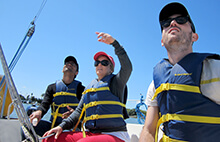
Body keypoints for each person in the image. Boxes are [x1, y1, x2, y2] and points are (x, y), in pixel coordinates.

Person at [139, 2, 220, 142]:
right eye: (166, 23)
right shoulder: (155, 85)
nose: (173, 23)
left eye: (181, 20)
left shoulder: (215, 69)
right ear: (162, 41)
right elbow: (148, 130)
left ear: (194, 36)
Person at [42, 31, 132, 142]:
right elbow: (78, 112)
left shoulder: (117, 82)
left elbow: (127, 67)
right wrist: (61, 126)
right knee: (50, 139)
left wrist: (115, 44)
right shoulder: (88, 88)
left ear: (111, 69)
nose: (99, 64)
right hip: (90, 134)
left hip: (115, 135)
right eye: (97, 63)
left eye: (104, 62)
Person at [29, 56, 85, 137]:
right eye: (66, 63)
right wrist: (39, 112)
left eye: (73, 64)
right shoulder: (52, 87)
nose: (69, 64)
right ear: (62, 69)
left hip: (73, 128)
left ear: (77, 72)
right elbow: (44, 104)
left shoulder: (81, 89)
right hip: (53, 126)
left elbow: (85, 112)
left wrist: (74, 114)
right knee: (27, 127)